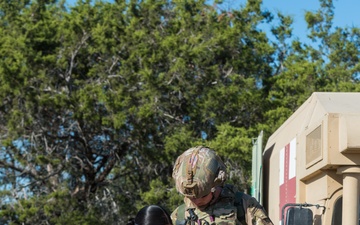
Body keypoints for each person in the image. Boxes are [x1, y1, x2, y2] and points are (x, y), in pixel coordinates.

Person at [171, 146, 273, 225]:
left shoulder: (244, 205)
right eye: (190, 197)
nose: (197, 201)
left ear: (216, 185)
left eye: (203, 196)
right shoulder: (178, 216)